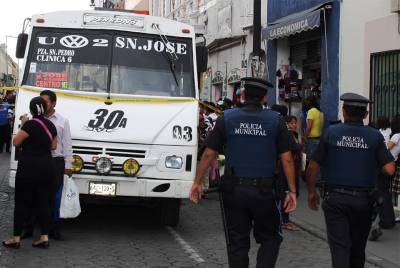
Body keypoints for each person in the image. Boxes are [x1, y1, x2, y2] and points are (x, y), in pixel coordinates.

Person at [190, 77, 297, 268]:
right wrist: (292, 191)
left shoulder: (228, 118)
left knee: (237, 243)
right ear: (264, 98)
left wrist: (197, 182)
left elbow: (208, 154)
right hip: (265, 193)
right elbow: (287, 158)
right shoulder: (276, 120)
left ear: (243, 95)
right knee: (270, 239)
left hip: (234, 191)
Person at [306, 93, 395, 268]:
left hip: (336, 200)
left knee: (340, 248)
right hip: (363, 201)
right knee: (358, 250)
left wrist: (311, 192)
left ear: (344, 112)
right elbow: (390, 169)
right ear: (365, 115)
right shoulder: (374, 136)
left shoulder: (331, 132)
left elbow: (313, 167)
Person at [2, 97, 57, 249]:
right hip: (47, 168)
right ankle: (44, 237)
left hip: (29, 168)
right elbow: (53, 146)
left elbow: (16, 142)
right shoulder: (50, 124)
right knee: (44, 202)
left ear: (32, 109)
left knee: (22, 203)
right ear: (44, 109)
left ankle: (16, 238)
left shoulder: (30, 125)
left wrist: (24, 124)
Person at [40, 90, 73, 240]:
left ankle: (54, 228)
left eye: (45, 101)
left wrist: (68, 165)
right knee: (38, 195)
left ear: (53, 103)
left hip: (56, 162)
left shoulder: (62, 121)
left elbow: (67, 144)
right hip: (39, 160)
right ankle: (37, 226)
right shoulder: (36, 119)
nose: (42, 104)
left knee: (55, 197)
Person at [369, 116, 396, 241]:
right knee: (386, 193)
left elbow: (384, 150)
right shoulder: (391, 132)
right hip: (389, 165)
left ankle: (383, 221)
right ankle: (388, 220)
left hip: (384, 165)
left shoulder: (380, 134)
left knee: (380, 194)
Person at [305, 96, 324, 165]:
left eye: (307, 102)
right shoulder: (320, 112)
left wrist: (305, 136)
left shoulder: (311, 111)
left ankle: (312, 176)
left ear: (309, 103)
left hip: (312, 139)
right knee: (317, 161)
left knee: (312, 160)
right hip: (319, 139)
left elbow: (309, 127)